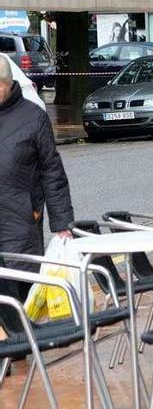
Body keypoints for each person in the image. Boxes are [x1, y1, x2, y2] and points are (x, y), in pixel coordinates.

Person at [0, 56, 74, 326]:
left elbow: (52, 172)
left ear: (9, 84)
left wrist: (62, 221)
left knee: (19, 285)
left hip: (20, 216)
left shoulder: (34, 117)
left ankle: (20, 348)